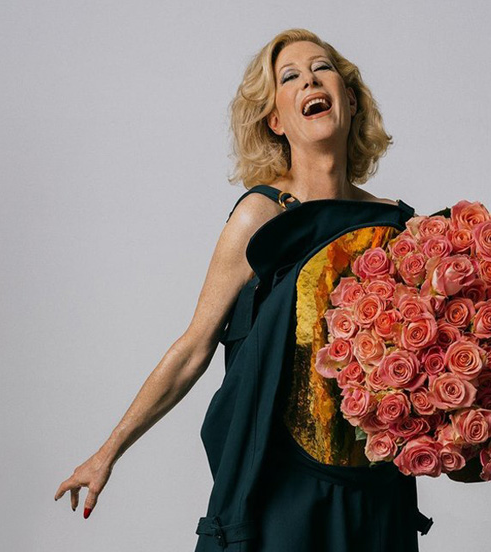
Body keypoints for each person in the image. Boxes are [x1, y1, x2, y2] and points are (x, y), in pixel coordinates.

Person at [55, 28, 433, 550]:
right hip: (284, 490)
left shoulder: (396, 227)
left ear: (349, 98)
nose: (310, 81)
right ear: (276, 119)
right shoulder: (260, 215)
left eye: (322, 69)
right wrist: (107, 453)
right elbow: (193, 348)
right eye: (291, 77)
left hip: (377, 493)